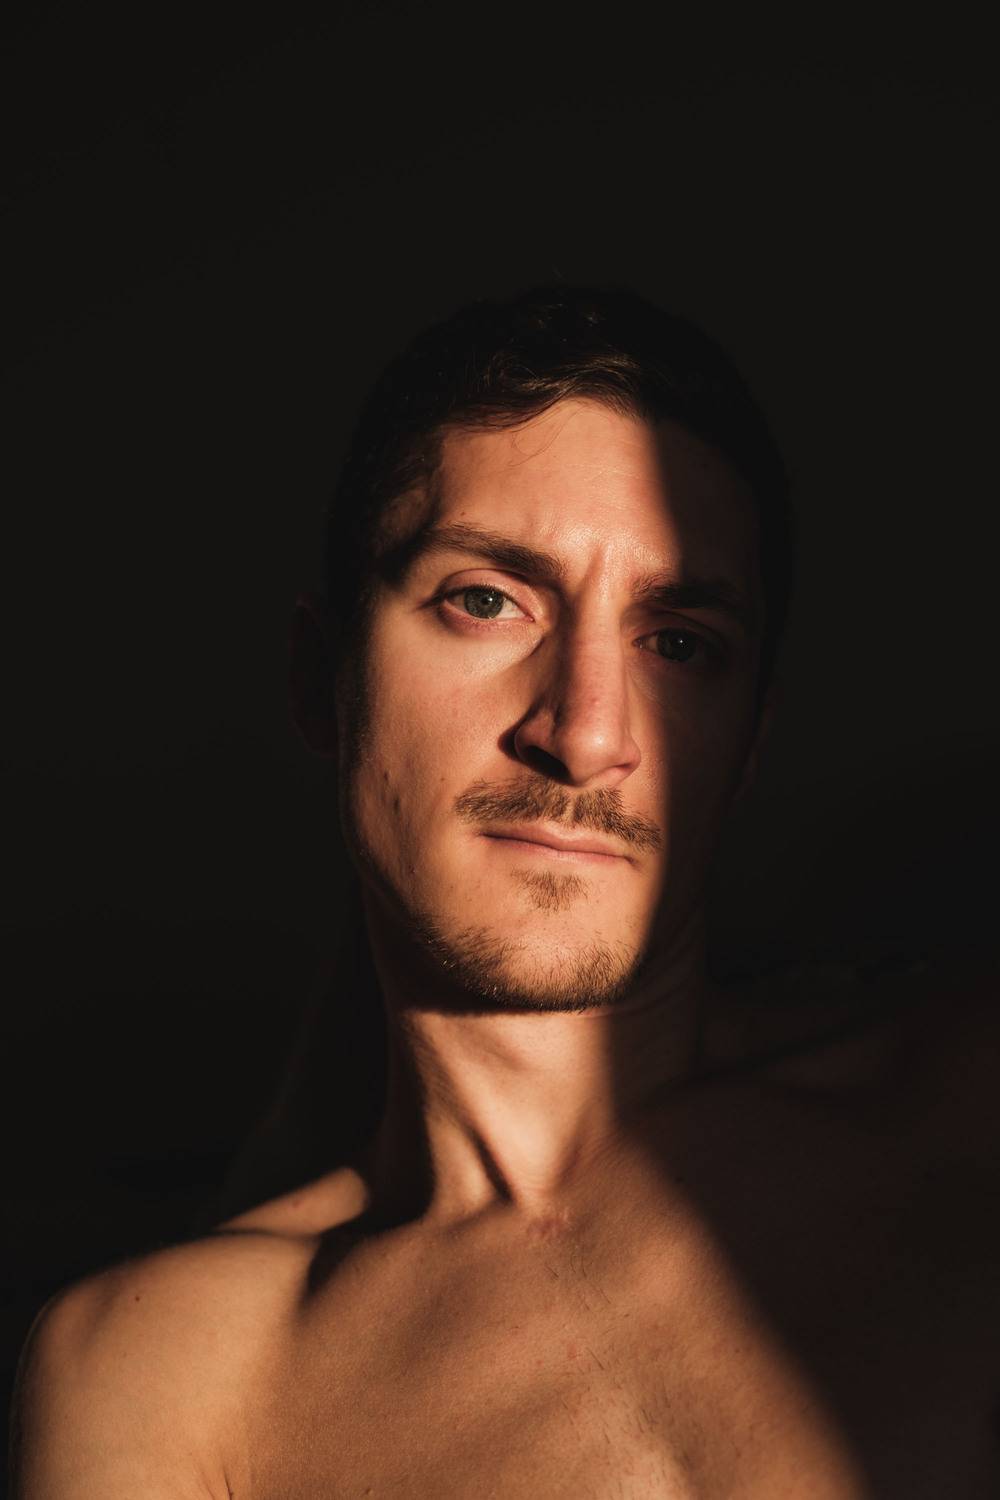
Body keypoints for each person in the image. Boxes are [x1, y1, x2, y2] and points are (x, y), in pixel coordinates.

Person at [10, 286, 999, 1498]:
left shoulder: (965, 1120)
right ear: (323, 678)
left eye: (677, 642)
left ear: (746, 745)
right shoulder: (165, 1371)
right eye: (485, 599)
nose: (583, 735)